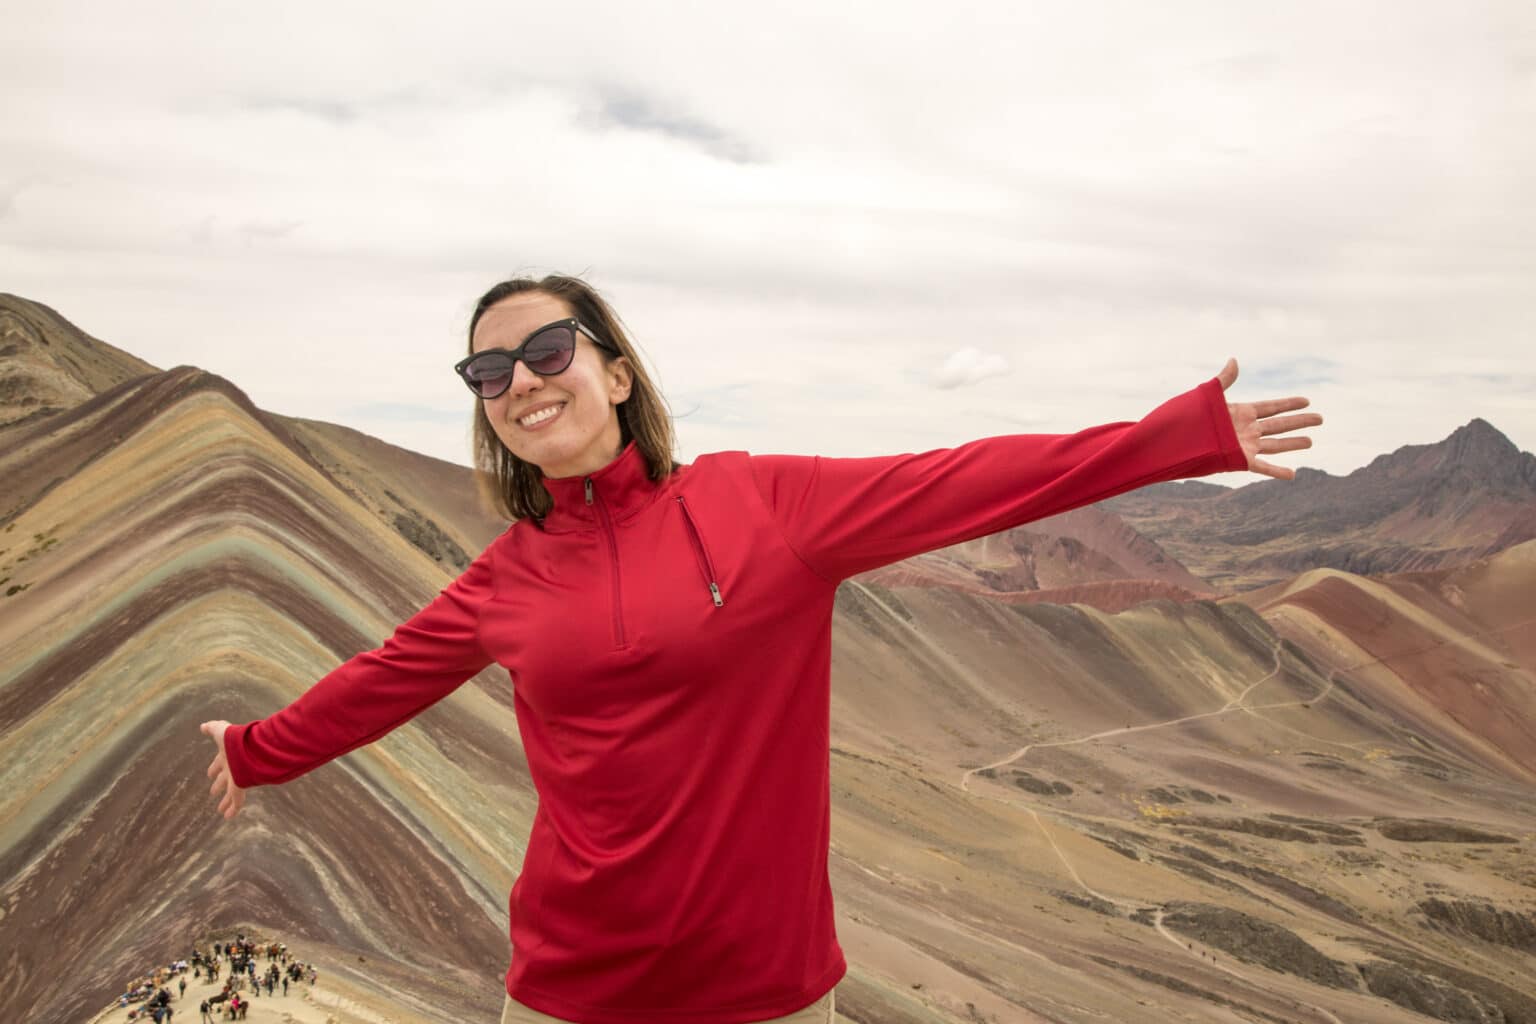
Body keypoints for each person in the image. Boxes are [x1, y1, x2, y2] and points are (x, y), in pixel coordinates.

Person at [201, 273, 1321, 1024]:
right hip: (569, 995)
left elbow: (964, 479)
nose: (522, 382)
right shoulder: (506, 578)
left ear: (618, 372)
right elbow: (379, 683)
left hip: (767, 996)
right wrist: (254, 748)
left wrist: (1179, 438)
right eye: (489, 374)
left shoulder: (759, 503)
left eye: (547, 351)